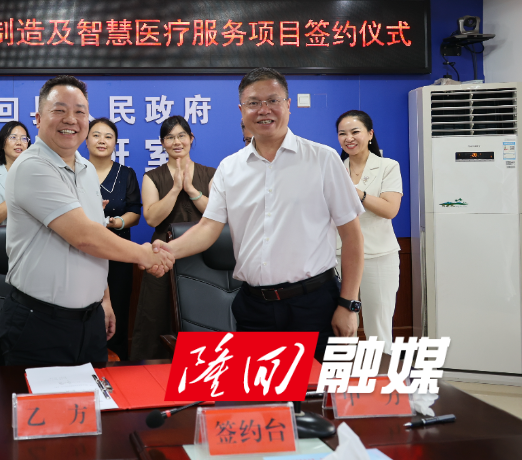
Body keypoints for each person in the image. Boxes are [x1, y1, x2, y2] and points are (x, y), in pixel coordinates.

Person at [155, 68, 365, 362]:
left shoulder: (323, 159)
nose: (264, 110)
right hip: (255, 308)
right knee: (257, 390)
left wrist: (349, 303)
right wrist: (166, 251)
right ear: (242, 110)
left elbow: (352, 236)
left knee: (318, 390)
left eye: (273, 100)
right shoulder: (230, 168)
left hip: (315, 305)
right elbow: (208, 228)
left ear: (288, 105)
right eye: (253, 103)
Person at [0, 75, 174, 367]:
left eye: (80, 111)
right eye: (60, 110)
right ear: (38, 118)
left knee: (92, 398)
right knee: (41, 399)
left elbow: (96, 232)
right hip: (40, 323)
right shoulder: (32, 166)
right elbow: (84, 236)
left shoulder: (87, 170)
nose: (71, 119)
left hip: (90, 320)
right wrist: (145, 255)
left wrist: (104, 299)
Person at [130, 115, 216, 360]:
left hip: (202, 254)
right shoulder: (152, 177)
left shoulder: (210, 173)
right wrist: (176, 188)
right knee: (156, 314)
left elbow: (216, 215)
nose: (176, 142)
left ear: (191, 138)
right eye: (169, 137)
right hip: (162, 255)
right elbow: (151, 218)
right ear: (162, 143)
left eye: (181, 136)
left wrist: (191, 190)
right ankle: (152, 370)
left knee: (203, 314)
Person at [335, 110, 403, 354]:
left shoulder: (387, 166)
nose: (348, 138)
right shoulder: (334, 168)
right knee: (342, 328)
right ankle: (344, 376)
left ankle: (381, 376)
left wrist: (357, 193)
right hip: (338, 256)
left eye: (355, 132)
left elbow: (390, 209)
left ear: (370, 134)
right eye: (342, 133)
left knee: (378, 325)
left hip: (378, 255)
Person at [85, 117, 142, 360]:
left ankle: (117, 367)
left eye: (108, 136)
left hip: (118, 253)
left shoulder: (126, 174)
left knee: (116, 311)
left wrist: (114, 222)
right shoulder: (76, 171)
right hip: (83, 253)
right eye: (96, 135)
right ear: (86, 140)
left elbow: (135, 212)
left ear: (115, 143)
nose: (102, 141)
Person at [0, 120, 31, 225]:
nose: (19, 142)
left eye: (24, 138)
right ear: (2, 144)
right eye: (13, 137)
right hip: (6, 234)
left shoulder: (36, 174)